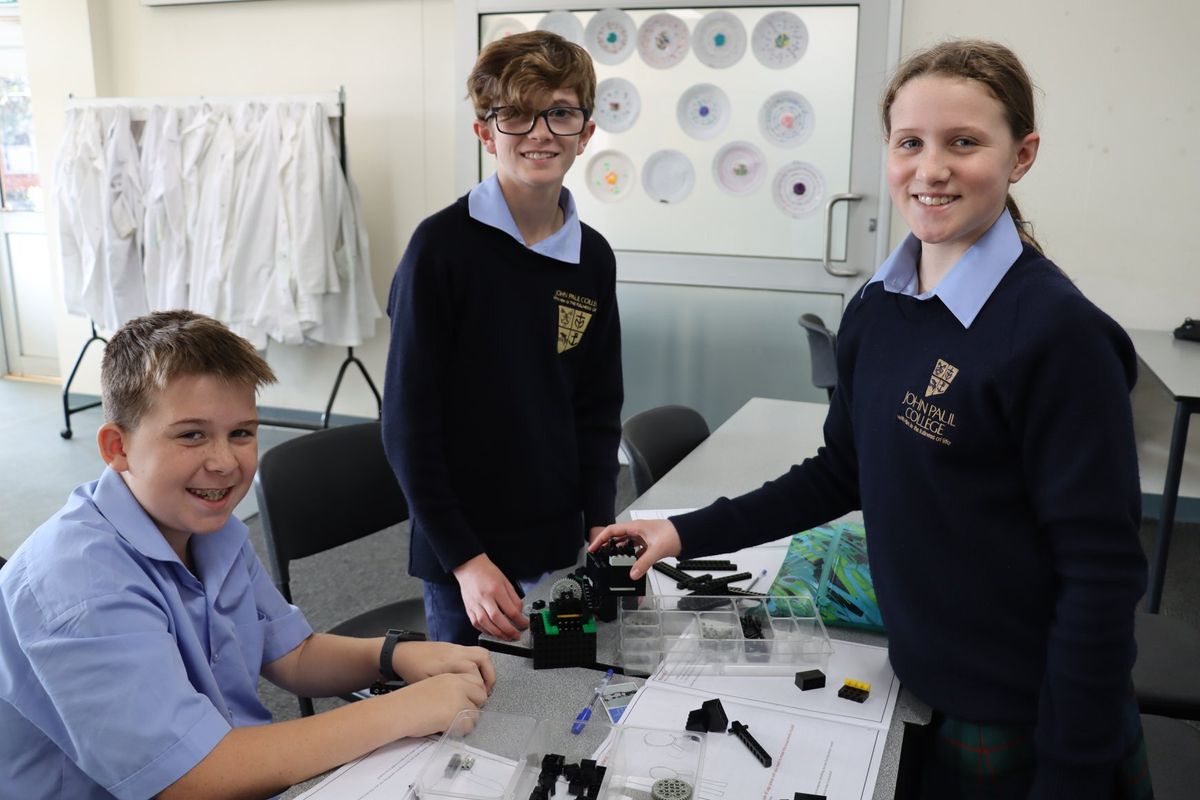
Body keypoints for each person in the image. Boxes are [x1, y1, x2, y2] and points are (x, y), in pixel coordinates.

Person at [591, 40, 1152, 799]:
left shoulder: (1060, 337)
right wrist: (684, 531)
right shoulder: (877, 306)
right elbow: (841, 470)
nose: (931, 169)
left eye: (964, 142)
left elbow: (1101, 575)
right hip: (915, 670)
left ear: (1021, 156)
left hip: (1024, 708)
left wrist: (1074, 773)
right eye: (909, 143)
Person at [0, 310, 494, 799]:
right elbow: (189, 779)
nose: (224, 462)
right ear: (117, 447)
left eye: (241, 432)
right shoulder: (79, 585)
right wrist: (400, 711)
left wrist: (393, 655)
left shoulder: (209, 529)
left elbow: (292, 655)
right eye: (191, 434)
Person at [383, 31, 623, 645]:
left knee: (559, 687)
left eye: (560, 113)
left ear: (586, 132)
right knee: (467, 695)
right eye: (516, 114)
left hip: (558, 538)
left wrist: (599, 522)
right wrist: (465, 560)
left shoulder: (592, 257)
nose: (540, 132)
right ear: (485, 133)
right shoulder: (440, 249)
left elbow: (597, 409)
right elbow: (407, 425)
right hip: (464, 552)